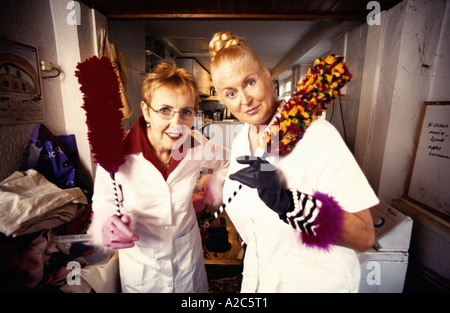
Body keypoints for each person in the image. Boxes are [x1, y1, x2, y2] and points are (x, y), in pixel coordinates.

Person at [208, 31, 379, 292]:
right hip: (259, 284)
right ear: (222, 99)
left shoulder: (318, 136)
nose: (245, 100)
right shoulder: (242, 139)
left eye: (250, 83)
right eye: (230, 93)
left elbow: (364, 237)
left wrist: (290, 204)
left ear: (266, 73)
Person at [88, 62, 228, 293]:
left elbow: (229, 163)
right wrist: (107, 224)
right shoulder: (116, 153)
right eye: (164, 110)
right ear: (146, 110)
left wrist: (208, 192)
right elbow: (103, 202)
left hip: (187, 265)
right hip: (142, 270)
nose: (177, 124)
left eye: (186, 111)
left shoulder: (196, 145)